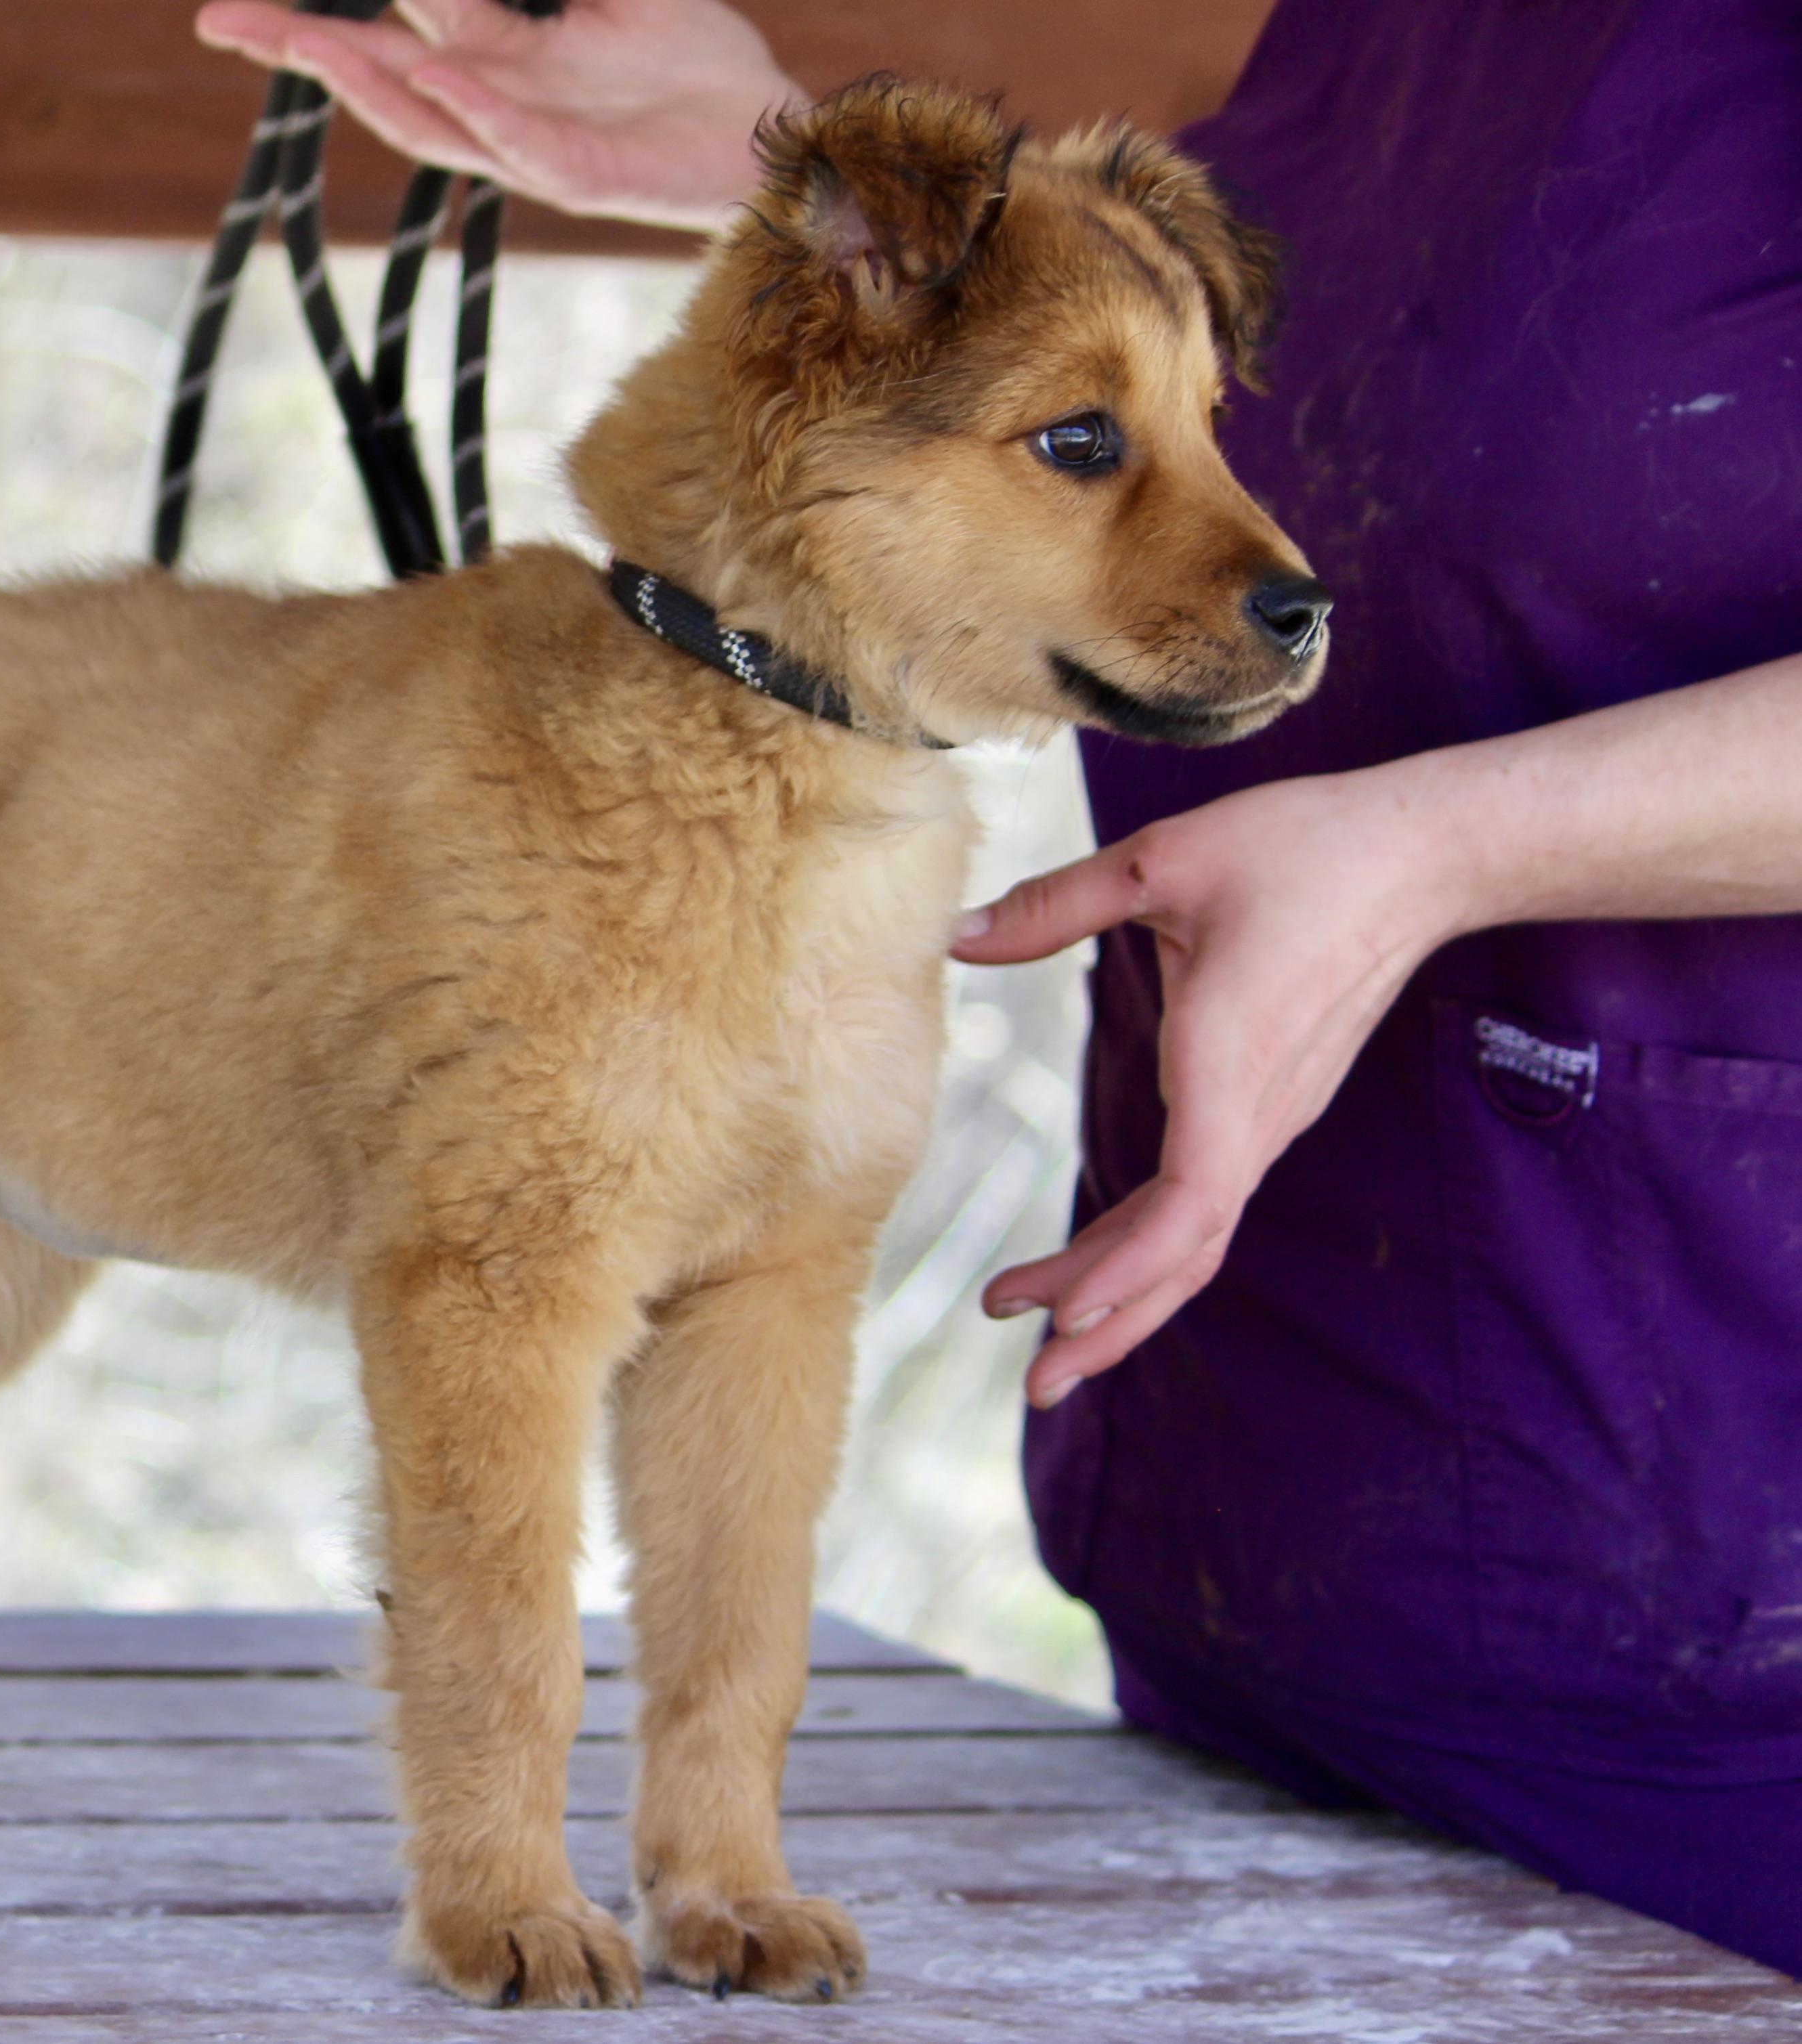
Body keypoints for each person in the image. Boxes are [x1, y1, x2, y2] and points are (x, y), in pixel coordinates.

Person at [200, 0, 1802, 1975]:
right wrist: (802, 187)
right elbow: (1038, 387)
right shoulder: (1371, 39)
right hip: (1260, 1527)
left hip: (1718, 1590)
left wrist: (1437, 846)